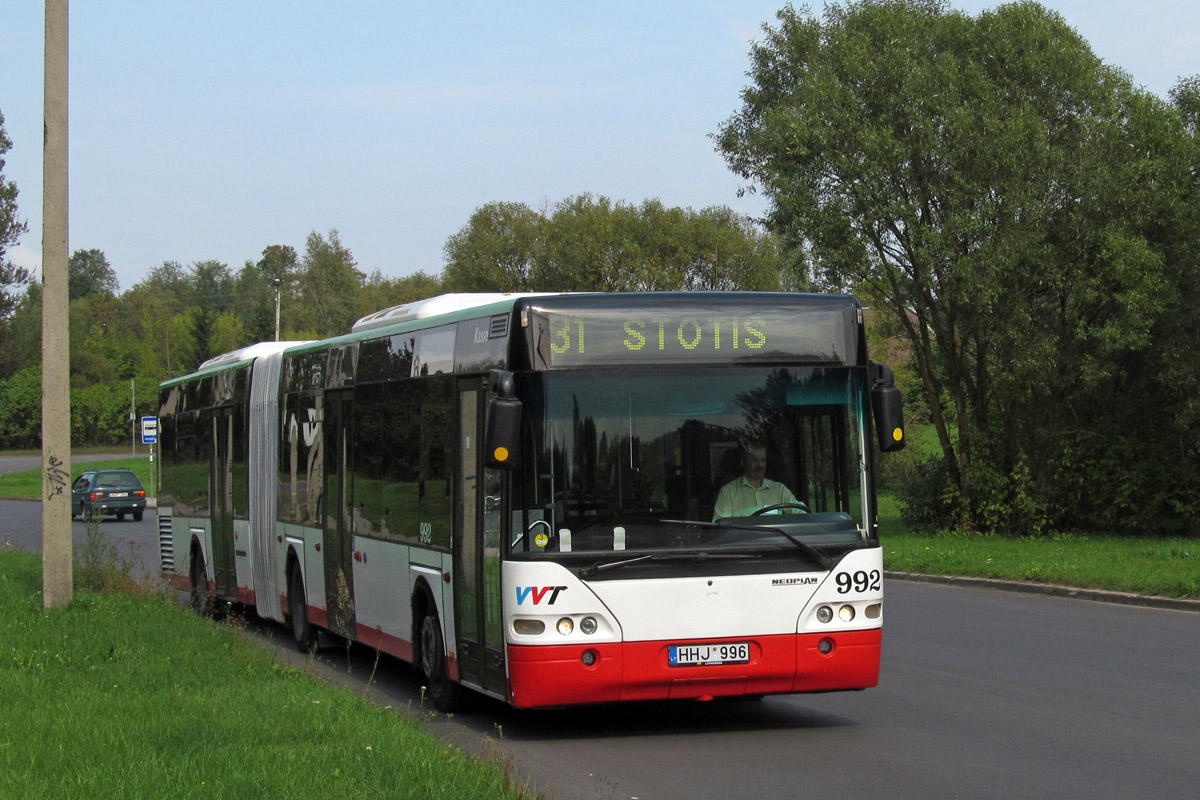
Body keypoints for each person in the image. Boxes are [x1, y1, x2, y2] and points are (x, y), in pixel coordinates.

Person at [712, 441, 801, 520]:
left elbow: (802, 513)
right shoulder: (728, 493)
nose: (760, 465)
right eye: (754, 460)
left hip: (776, 538)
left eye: (763, 460)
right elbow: (721, 528)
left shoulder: (779, 490)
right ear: (743, 463)